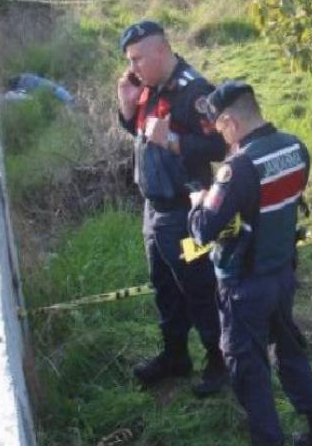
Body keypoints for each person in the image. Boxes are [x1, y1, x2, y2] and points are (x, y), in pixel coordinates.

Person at [188, 81, 312, 446]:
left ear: (230, 122)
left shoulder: (237, 168)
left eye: (219, 128)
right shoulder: (295, 147)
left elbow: (203, 231)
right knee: (289, 351)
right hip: (282, 273)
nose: (220, 137)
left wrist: (198, 202)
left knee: (248, 368)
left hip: (245, 286)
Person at [117, 20, 227, 396]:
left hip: (187, 213)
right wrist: (127, 109)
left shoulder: (194, 92)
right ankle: (175, 356)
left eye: (137, 59)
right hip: (155, 209)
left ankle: (220, 361)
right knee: (164, 287)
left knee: (199, 287)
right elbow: (144, 137)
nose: (132, 68)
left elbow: (222, 146)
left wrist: (175, 141)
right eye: (129, 60)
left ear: (162, 50)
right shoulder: (147, 87)